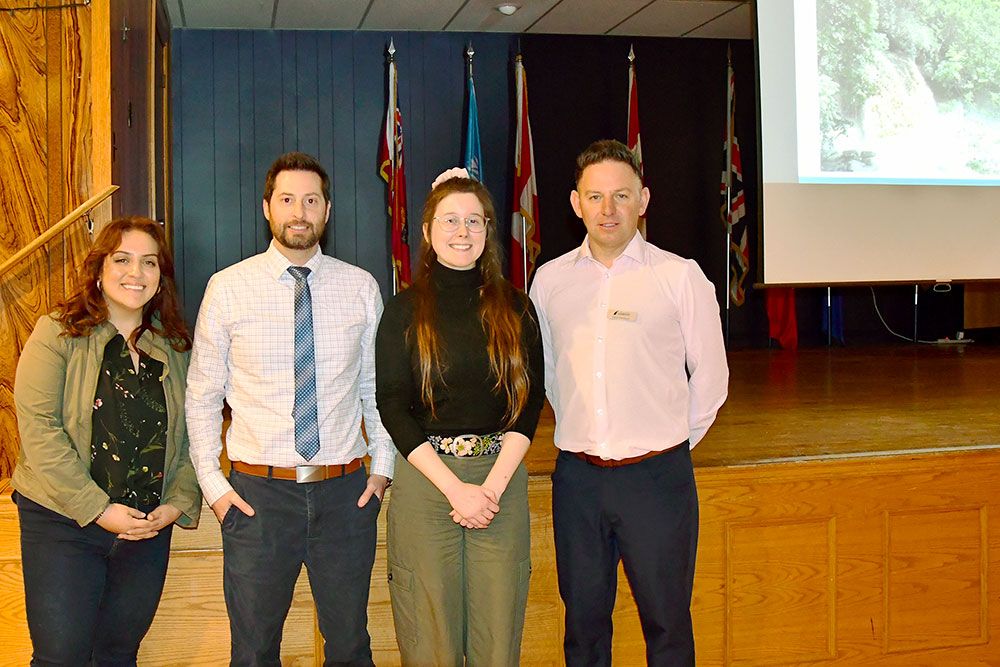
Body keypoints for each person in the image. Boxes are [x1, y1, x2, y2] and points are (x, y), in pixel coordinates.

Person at [185, 151, 394, 665]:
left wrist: (383, 470)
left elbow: (377, 390)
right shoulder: (228, 288)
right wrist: (214, 486)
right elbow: (203, 395)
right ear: (266, 208)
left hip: (346, 496)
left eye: (310, 200)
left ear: (327, 210)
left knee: (350, 646)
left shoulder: (361, 287)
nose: (298, 211)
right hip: (257, 498)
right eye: (286, 199)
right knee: (254, 652)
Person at [529, 139, 729, 666]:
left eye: (621, 195)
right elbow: (549, 374)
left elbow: (710, 380)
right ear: (576, 204)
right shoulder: (549, 282)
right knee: (584, 629)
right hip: (578, 481)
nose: (608, 209)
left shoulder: (679, 275)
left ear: (644, 199)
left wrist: (664, 442)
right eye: (595, 197)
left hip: (657, 481)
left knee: (667, 627)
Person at [12, 216, 202, 665]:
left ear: (161, 278)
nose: (135, 273)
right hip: (63, 521)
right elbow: (39, 427)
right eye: (122, 259)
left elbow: (197, 434)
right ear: (99, 269)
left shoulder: (175, 349)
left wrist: (177, 501)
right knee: (62, 655)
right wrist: (98, 509)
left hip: (145, 527)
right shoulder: (57, 334)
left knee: (118, 653)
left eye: (149, 263)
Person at [375, 171, 544, 666]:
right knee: (432, 639)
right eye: (450, 219)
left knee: (497, 637)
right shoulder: (403, 311)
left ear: (488, 229)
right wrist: (457, 490)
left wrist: (488, 489)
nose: (462, 230)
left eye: (474, 220)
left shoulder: (517, 306)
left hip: (499, 482)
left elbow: (530, 401)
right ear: (427, 231)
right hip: (430, 485)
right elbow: (392, 404)